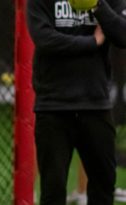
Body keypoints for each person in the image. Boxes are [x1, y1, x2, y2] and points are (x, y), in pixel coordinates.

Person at [26, 0, 126, 204]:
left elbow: (123, 34)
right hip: (53, 106)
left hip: (96, 105)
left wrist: (97, 5)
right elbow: (45, 40)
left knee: (104, 184)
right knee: (52, 188)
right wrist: (92, 42)